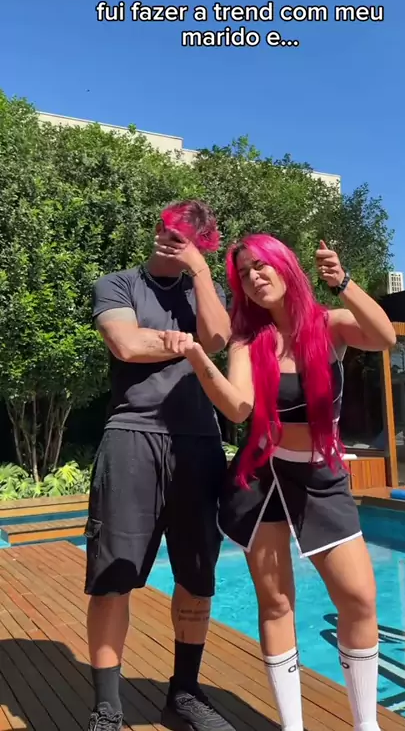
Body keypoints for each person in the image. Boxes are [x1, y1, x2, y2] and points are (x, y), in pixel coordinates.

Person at [163, 234, 397, 731]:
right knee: (276, 604)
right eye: (244, 273)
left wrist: (344, 282)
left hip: (320, 476)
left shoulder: (330, 325)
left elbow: (384, 338)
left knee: (359, 599)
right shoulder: (249, 341)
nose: (254, 277)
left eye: (261, 265)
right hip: (261, 477)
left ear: (285, 266)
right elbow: (238, 407)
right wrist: (199, 360)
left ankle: (366, 725)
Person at [84, 200, 234, 731]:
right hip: (131, 436)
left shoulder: (207, 291)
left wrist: (201, 274)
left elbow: (218, 340)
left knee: (197, 576)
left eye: (189, 239)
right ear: (157, 229)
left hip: (199, 442)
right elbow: (125, 344)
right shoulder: (118, 285)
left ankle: (184, 694)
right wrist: (187, 346)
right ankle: (107, 707)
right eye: (170, 232)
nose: (175, 243)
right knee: (112, 577)